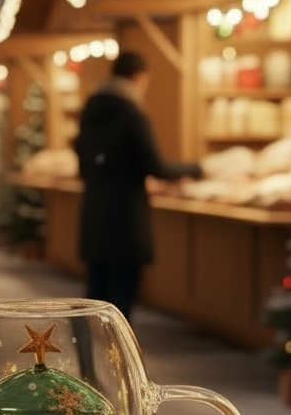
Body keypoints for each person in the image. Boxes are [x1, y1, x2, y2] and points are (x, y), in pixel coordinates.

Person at [74, 50, 202, 322]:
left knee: (95, 296)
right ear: (138, 77)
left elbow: (84, 165)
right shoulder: (132, 115)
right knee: (122, 304)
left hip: (95, 215)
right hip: (125, 219)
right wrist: (199, 168)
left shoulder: (90, 112)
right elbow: (156, 166)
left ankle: (87, 359)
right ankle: (118, 362)